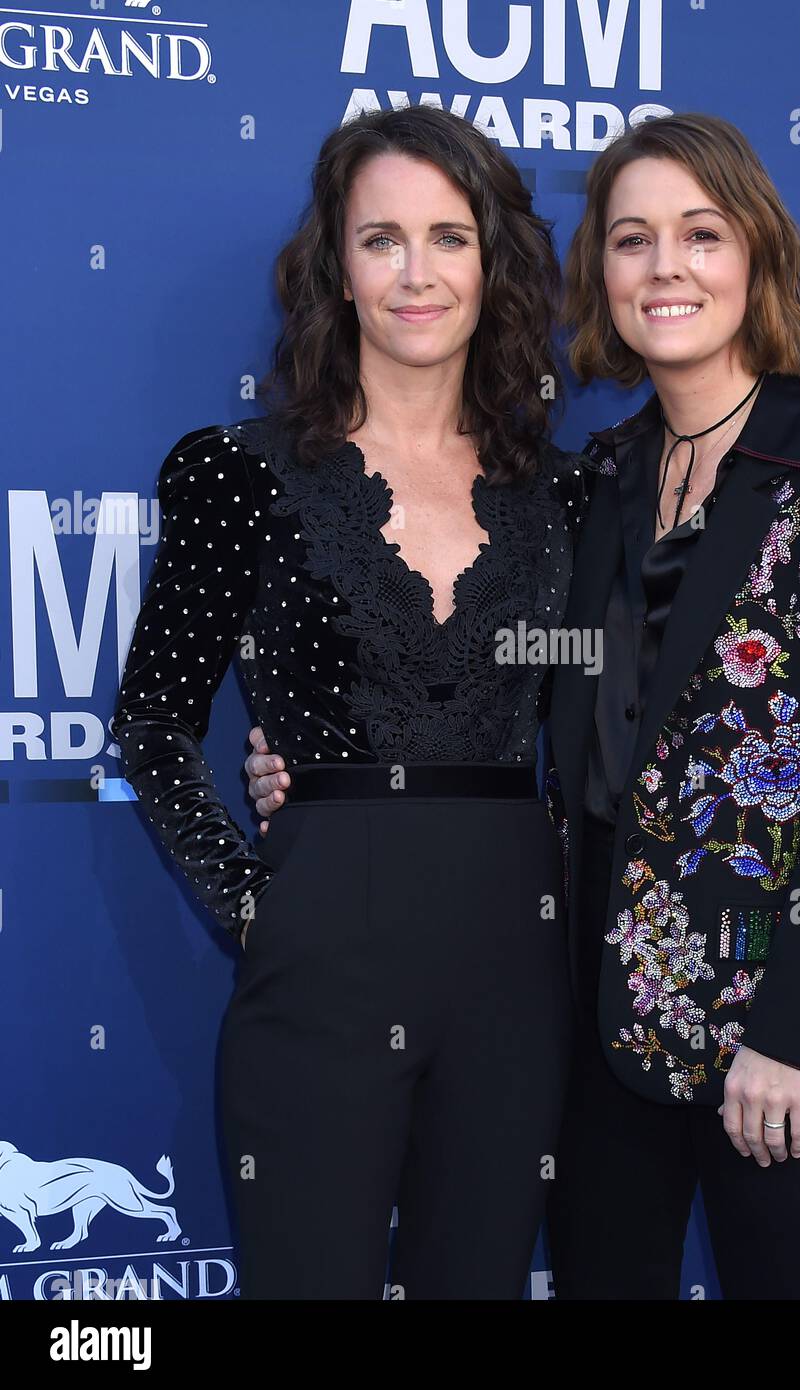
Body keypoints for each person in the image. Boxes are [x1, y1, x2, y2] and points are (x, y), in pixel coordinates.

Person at [246, 111, 800, 1300]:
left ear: (756, 255)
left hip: (776, 1032)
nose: (665, 266)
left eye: (700, 233)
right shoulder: (600, 480)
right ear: (597, 276)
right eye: (631, 239)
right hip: (597, 1029)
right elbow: (526, 671)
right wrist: (320, 743)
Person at [110, 105, 588, 1300]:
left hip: (516, 964)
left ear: (496, 262)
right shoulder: (237, 471)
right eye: (382, 239)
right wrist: (254, 903)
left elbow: (603, 739)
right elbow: (154, 721)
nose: (417, 273)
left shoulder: (574, 498)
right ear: (337, 265)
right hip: (319, 956)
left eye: (450, 237)